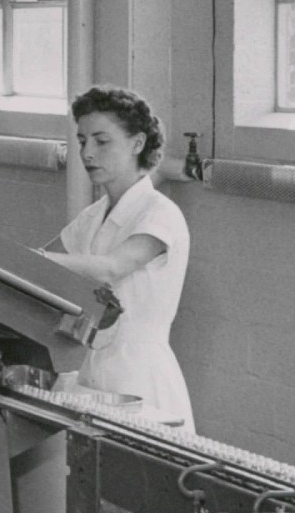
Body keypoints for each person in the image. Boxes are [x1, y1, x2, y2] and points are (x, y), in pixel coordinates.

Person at [42, 85, 195, 432]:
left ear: (137, 143)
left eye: (101, 141)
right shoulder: (93, 216)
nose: (87, 153)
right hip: (89, 371)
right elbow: (44, 265)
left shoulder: (160, 213)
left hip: (139, 376)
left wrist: (36, 259)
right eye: (82, 141)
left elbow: (112, 267)